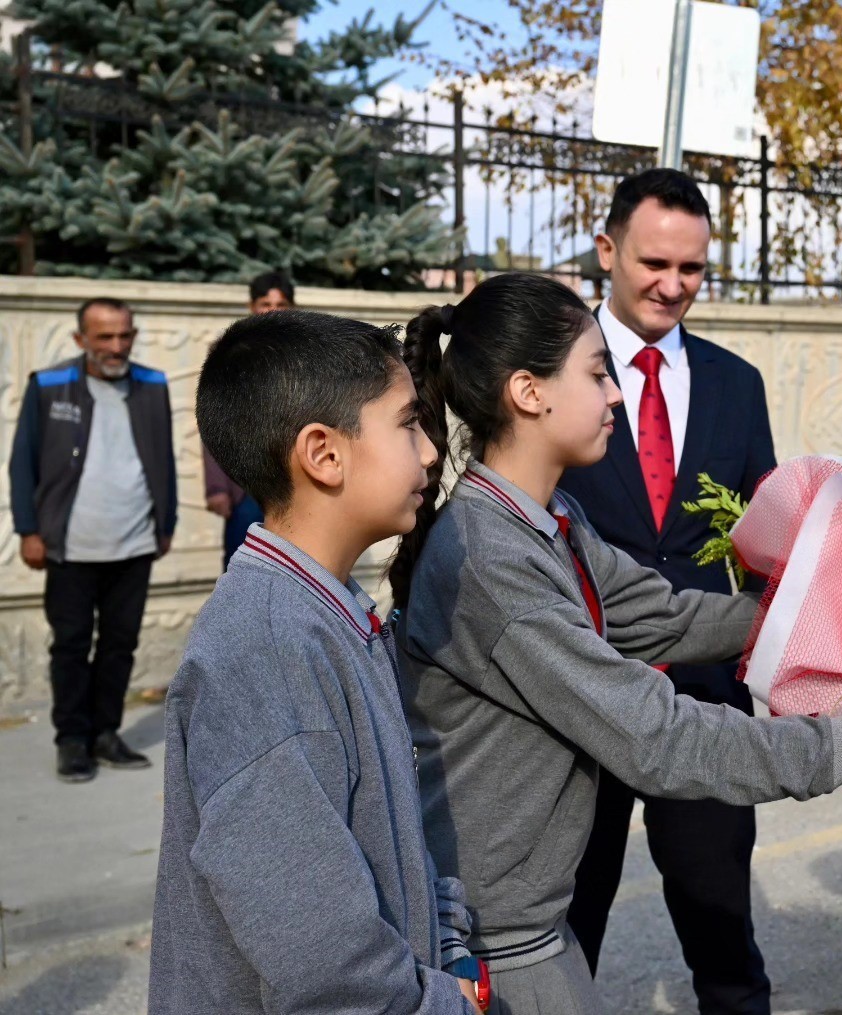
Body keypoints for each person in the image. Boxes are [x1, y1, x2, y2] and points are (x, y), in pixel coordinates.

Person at [390, 272, 842, 1015]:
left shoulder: (550, 521)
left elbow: (668, 616)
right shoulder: (493, 562)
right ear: (528, 391)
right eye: (595, 373)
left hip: (528, 932)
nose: (615, 393)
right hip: (496, 952)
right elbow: (658, 737)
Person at [149, 310, 486, 1014]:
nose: (430, 453)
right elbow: (328, 966)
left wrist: (442, 941)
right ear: (323, 454)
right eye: (407, 423)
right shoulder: (265, 647)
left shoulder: (323, 611)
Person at [557, 167, 777, 1015]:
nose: (672, 285)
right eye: (654, 262)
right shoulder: (553, 377)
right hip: (579, 690)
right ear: (608, 250)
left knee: (723, 924)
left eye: (691, 269)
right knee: (569, 923)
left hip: (705, 697)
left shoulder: (736, 382)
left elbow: (763, 535)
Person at [8, 297, 176, 782]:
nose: (117, 346)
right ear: (81, 340)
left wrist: (164, 524)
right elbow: (23, 462)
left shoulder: (151, 385)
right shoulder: (49, 385)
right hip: (69, 545)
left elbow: (162, 457)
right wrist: (28, 529)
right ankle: (72, 741)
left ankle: (106, 733)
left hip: (135, 543)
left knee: (120, 644)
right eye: (105, 337)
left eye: (125, 335)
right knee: (71, 645)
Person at [202, 271, 294, 569]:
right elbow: (213, 418)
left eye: (280, 303)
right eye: (265, 302)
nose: (272, 310)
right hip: (244, 484)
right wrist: (217, 487)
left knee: (296, 567)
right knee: (241, 565)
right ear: (252, 306)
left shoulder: (305, 355)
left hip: (293, 479)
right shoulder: (228, 352)